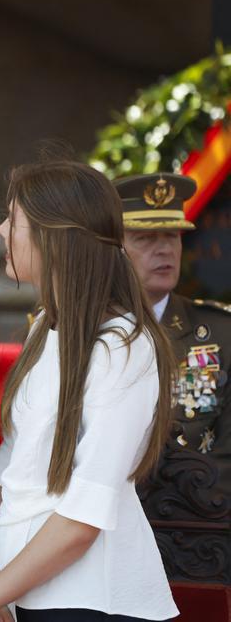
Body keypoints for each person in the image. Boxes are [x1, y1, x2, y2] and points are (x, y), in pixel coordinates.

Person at [0, 161, 178, 622]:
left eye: (13, 220)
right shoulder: (45, 330)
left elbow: (84, 516)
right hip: (25, 592)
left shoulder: (123, 347)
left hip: (88, 600)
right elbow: (7, 467)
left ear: (55, 236)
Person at [114, 173, 230, 464]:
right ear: (115, 249)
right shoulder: (84, 326)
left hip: (198, 504)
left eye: (172, 236)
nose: (165, 249)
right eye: (145, 238)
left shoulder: (221, 331)